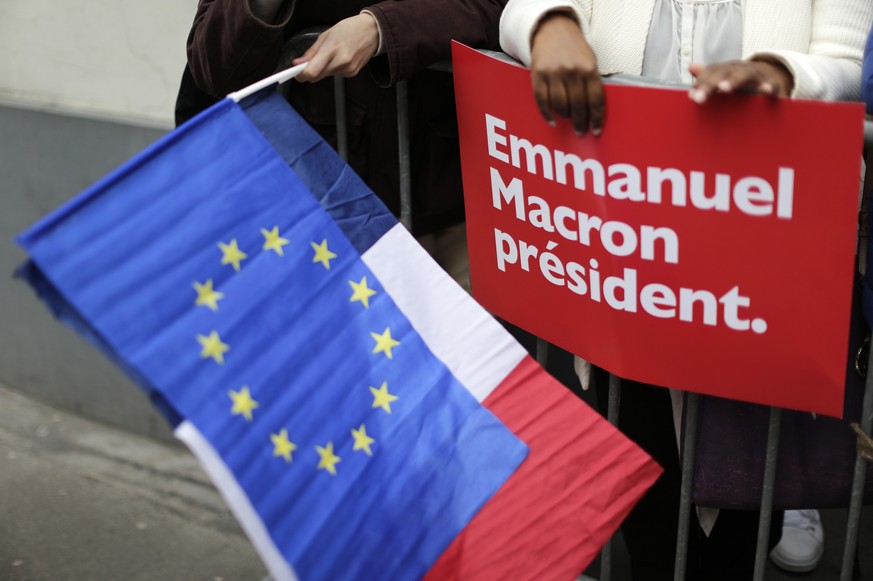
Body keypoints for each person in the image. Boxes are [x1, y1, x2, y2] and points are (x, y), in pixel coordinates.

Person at [500, 1, 873, 579]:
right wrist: (551, 26)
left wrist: (782, 75)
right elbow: (519, 10)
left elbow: (852, 67)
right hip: (630, 273)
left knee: (745, 510)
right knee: (648, 503)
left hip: (760, 282)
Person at [186, 0, 507, 291]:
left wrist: (379, 27)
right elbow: (216, 69)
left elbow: (501, 8)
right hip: (312, 202)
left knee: (449, 344)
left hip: (452, 202)